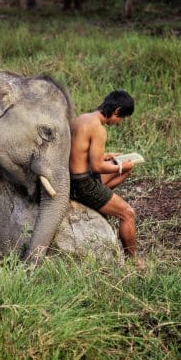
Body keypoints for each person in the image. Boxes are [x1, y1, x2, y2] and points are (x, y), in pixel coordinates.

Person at [69, 90, 145, 270]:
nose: (119, 123)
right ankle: (133, 261)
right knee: (128, 213)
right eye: (122, 118)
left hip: (73, 178)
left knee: (128, 167)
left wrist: (109, 156)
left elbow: (80, 153)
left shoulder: (83, 118)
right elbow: (97, 167)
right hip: (83, 183)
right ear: (117, 111)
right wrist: (120, 166)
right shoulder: (99, 129)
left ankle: (102, 199)